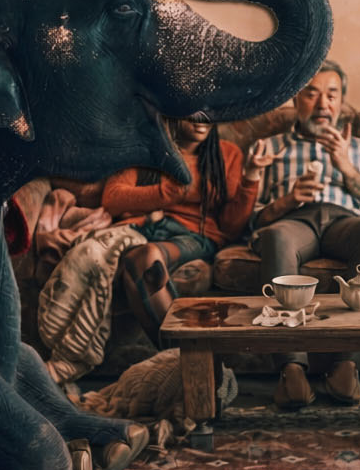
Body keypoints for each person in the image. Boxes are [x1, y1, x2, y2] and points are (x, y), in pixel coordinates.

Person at [247, 59, 360, 409]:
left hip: (348, 222)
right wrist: (288, 200)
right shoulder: (271, 146)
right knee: (277, 237)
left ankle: (347, 366)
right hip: (296, 222)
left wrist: (346, 168)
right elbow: (253, 222)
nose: (323, 104)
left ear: (342, 102)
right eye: (311, 94)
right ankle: (291, 370)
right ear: (296, 99)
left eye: (332, 95)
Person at [102, 116, 262, 344]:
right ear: (173, 112)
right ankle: (184, 360)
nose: (202, 120)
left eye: (209, 113)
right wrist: (171, 192)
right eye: (193, 112)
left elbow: (230, 227)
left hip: (195, 235)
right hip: (146, 228)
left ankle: (182, 355)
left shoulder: (227, 153)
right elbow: (112, 199)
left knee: (146, 258)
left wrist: (251, 177)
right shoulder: (146, 150)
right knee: (133, 276)